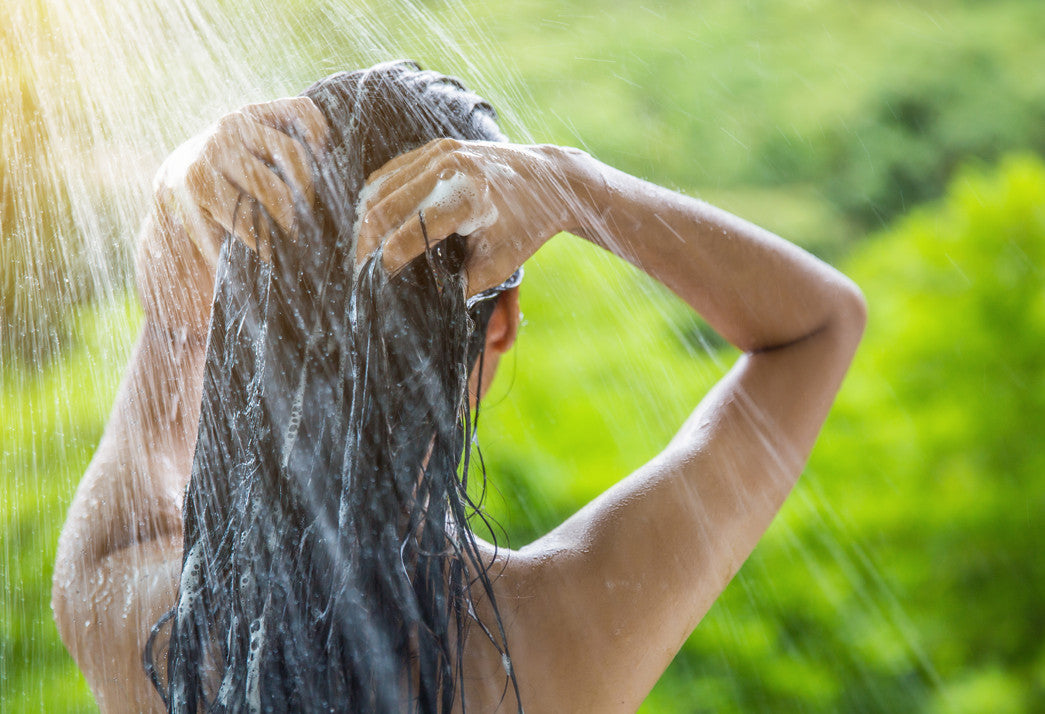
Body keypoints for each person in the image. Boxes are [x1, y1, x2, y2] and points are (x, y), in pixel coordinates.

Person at [52, 61, 866, 713]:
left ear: (253, 320)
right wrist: (572, 186)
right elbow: (820, 324)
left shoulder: (129, 610)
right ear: (500, 322)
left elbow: (175, 321)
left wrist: (183, 179)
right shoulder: (553, 640)